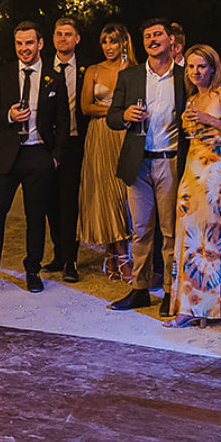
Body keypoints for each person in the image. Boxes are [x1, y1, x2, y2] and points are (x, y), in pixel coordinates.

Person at [0, 22, 65, 294]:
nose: (24, 48)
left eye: (29, 43)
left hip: (39, 155)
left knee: (35, 217)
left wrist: (56, 156)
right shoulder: (2, 73)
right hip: (6, 157)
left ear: (40, 44)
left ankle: (33, 271)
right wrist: (9, 115)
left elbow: (63, 119)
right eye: (19, 43)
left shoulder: (53, 77)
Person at [106, 19, 188, 313]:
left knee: (169, 232)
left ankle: (169, 291)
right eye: (147, 36)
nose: (153, 39)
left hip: (171, 161)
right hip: (138, 163)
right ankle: (139, 289)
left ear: (170, 41)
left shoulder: (183, 77)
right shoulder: (129, 77)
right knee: (140, 230)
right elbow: (112, 117)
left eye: (158, 35)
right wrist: (126, 114)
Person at [168, 45, 221, 326]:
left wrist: (210, 120)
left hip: (216, 173)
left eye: (201, 66)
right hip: (190, 174)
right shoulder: (191, 99)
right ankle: (187, 307)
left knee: (212, 243)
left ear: (213, 68)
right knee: (189, 241)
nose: (195, 72)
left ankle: (211, 308)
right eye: (191, 67)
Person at [77, 23, 135, 279]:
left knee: (125, 195)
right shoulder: (93, 70)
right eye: (104, 42)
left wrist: (122, 115)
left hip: (126, 135)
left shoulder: (135, 70)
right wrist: (115, 112)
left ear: (124, 42)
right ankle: (122, 257)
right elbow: (86, 106)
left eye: (114, 41)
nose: (109, 47)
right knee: (106, 195)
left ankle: (113, 255)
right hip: (100, 135)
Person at [44, 16, 89, 281]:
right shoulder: (43, 68)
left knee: (69, 201)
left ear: (77, 38)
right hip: (47, 144)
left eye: (68, 34)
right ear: (52, 38)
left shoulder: (85, 69)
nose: (63, 38)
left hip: (74, 142)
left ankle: (71, 259)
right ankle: (58, 254)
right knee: (50, 201)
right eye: (59, 34)